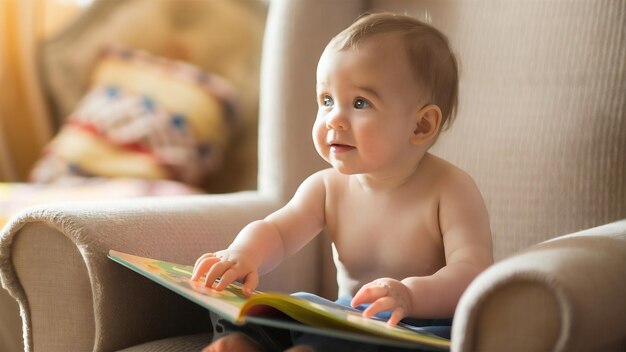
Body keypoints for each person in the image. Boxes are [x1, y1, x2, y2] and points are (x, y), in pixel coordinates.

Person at [192, 12, 493, 352]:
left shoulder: (450, 189)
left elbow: (472, 273)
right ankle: (243, 342)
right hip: (346, 318)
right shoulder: (326, 188)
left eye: (360, 103)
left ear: (421, 126)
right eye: (327, 100)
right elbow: (277, 231)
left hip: (418, 329)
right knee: (266, 308)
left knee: (342, 337)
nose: (334, 118)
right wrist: (242, 254)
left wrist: (409, 296)